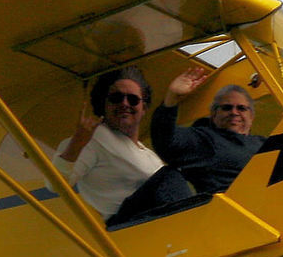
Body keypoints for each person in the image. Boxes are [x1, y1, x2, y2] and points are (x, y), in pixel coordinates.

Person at [53, 67, 164, 221]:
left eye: (133, 100)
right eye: (116, 98)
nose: (125, 104)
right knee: (170, 176)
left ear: (143, 108)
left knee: (173, 175)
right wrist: (77, 142)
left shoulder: (148, 154)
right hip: (127, 222)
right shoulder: (95, 137)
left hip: (158, 220)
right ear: (103, 103)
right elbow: (55, 184)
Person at [150, 66, 264, 195]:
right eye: (227, 108)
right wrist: (172, 98)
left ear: (252, 116)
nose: (234, 112)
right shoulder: (204, 139)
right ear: (214, 114)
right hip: (227, 208)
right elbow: (165, 140)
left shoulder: (264, 143)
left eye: (242, 108)